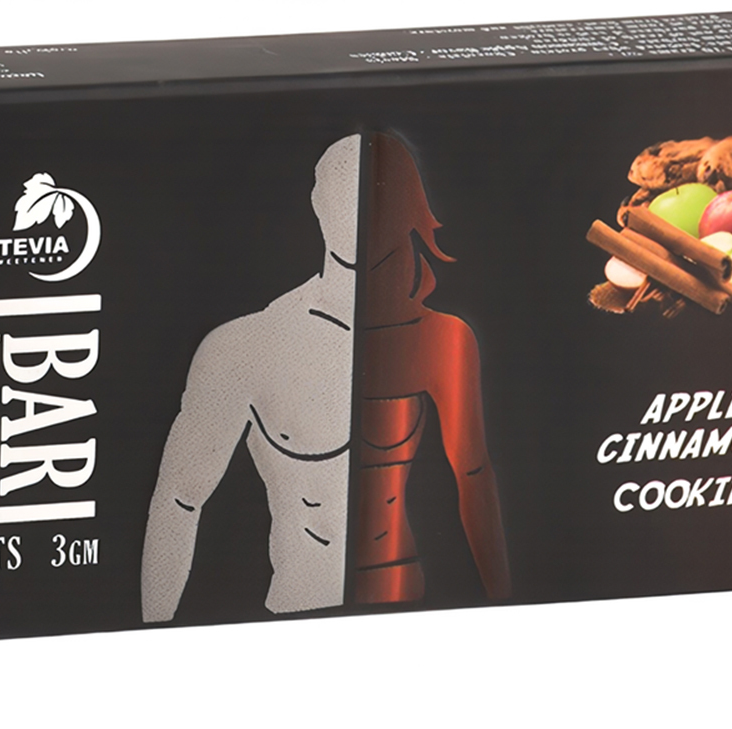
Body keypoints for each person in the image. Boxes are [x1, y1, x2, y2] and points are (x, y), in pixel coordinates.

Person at [141, 132, 510, 621]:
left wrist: (508, 611)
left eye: (377, 192)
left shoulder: (443, 339)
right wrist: (151, 634)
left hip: (404, 604)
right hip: (299, 608)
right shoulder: (246, 346)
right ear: (317, 202)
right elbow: (179, 499)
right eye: (342, 190)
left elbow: (475, 478)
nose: (358, 209)